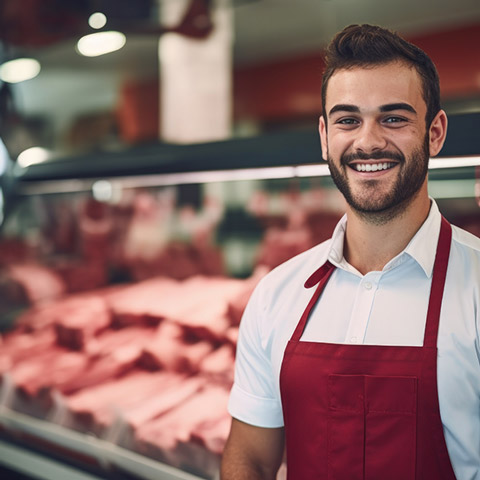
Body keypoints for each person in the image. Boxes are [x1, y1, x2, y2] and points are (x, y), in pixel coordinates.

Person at [221, 24, 480, 480]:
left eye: (394, 118)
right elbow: (252, 460)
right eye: (347, 120)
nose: (368, 141)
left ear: (435, 132)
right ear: (324, 136)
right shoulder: (278, 293)